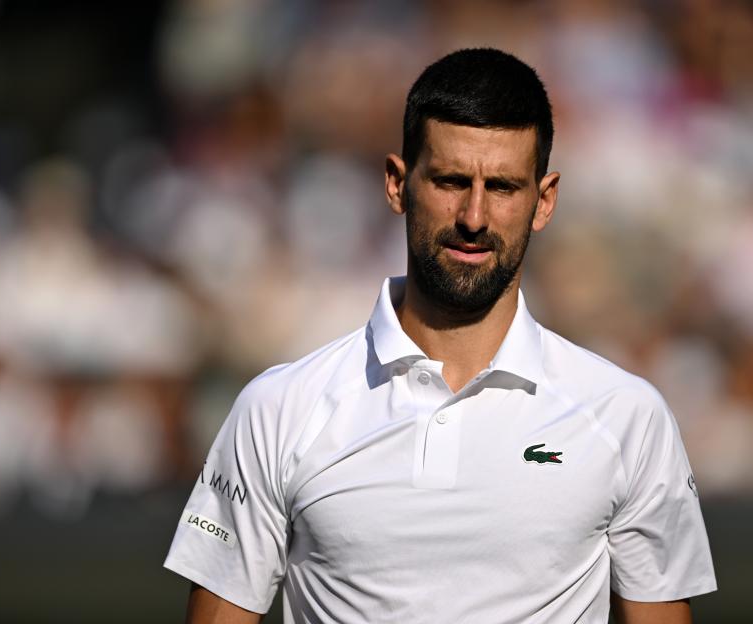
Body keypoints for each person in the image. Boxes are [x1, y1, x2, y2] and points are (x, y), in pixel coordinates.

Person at [164, 48, 716, 624]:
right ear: (397, 184)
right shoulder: (277, 410)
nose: (474, 217)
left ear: (544, 200)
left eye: (502, 187)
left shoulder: (627, 417)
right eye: (451, 181)